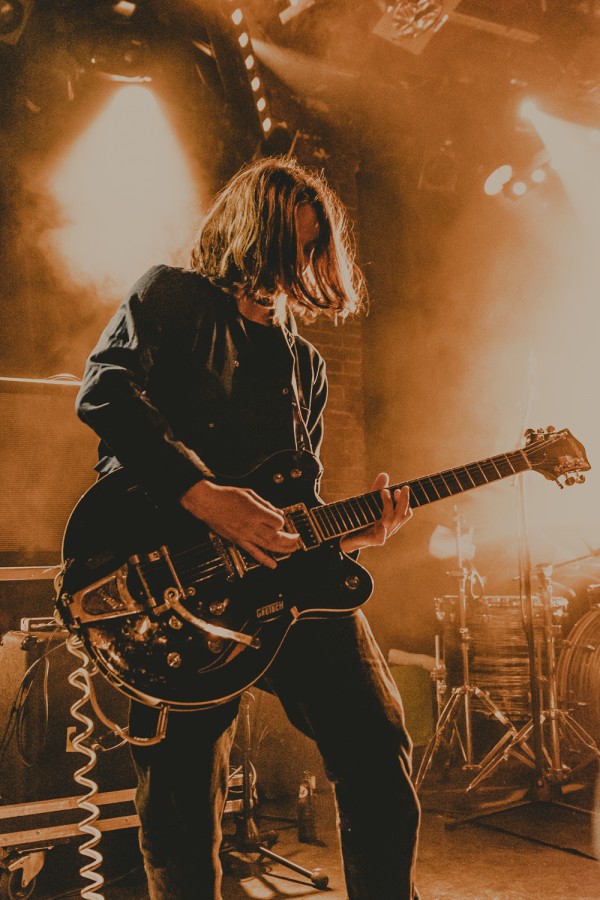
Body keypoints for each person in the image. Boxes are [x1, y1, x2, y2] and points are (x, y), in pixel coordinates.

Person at [75, 156, 420, 900]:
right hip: (170, 581)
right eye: (290, 244)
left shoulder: (306, 362)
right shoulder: (169, 297)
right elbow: (105, 394)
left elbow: (293, 505)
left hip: (287, 593)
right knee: (181, 798)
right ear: (248, 230)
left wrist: (351, 535)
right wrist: (202, 494)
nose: (302, 262)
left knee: (379, 743)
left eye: (312, 247)